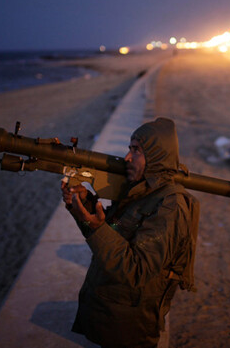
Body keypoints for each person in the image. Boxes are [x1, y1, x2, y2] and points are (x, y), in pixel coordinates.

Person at [61, 117, 200, 348]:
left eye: (136, 150)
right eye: (129, 149)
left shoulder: (170, 205)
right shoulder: (140, 190)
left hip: (130, 327)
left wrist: (96, 228)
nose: (127, 157)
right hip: (113, 315)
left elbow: (137, 270)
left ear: (155, 155)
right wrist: (84, 205)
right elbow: (113, 231)